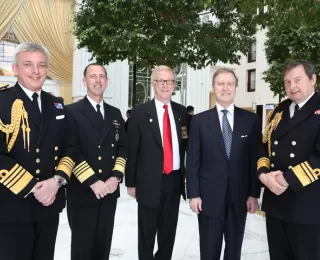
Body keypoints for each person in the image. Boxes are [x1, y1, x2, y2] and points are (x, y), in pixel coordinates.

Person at [0, 42, 77, 260]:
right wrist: (34, 188)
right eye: (28, 64)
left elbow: (70, 148)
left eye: (41, 65)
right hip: (12, 206)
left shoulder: (57, 106)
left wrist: (57, 181)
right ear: (15, 68)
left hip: (49, 205)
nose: (36, 71)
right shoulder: (2, 102)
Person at [187, 68, 261, 260]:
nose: (225, 88)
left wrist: (254, 193)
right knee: (209, 252)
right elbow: (193, 161)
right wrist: (193, 194)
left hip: (239, 198)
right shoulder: (199, 121)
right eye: (221, 84)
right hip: (209, 200)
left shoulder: (251, 120)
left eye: (230, 84)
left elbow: (254, 160)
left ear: (236, 87)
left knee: (234, 252)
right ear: (214, 87)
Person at [257, 60, 320, 260]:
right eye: (287, 82)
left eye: (298, 80)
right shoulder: (279, 111)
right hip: (276, 203)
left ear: (313, 80)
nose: (292, 86)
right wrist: (264, 176)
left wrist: (286, 179)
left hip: (307, 205)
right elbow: (263, 146)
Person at [125, 65, 188, 260]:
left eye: (169, 81)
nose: (165, 85)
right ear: (153, 84)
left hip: (174, 181)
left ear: (174, 85)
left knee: (168, 232)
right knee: (147, 233)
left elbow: (186, 145)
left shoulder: (182, 113)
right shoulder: (139, 113)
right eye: (160, 81)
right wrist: (131, 183)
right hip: (148, 182)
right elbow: (132, 149)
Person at [65, 63, 127, 260]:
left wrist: (115, 177)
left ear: (107, 82)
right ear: (84, 81)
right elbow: (70, 150)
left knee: (103, 244)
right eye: (93, 76)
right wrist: (93, 181)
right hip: (82, 190)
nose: (98, 80)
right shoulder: (71, 112)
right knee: (83, 247)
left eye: (102, 76)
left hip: (109, 191)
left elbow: (123, 148)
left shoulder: (115, 113)